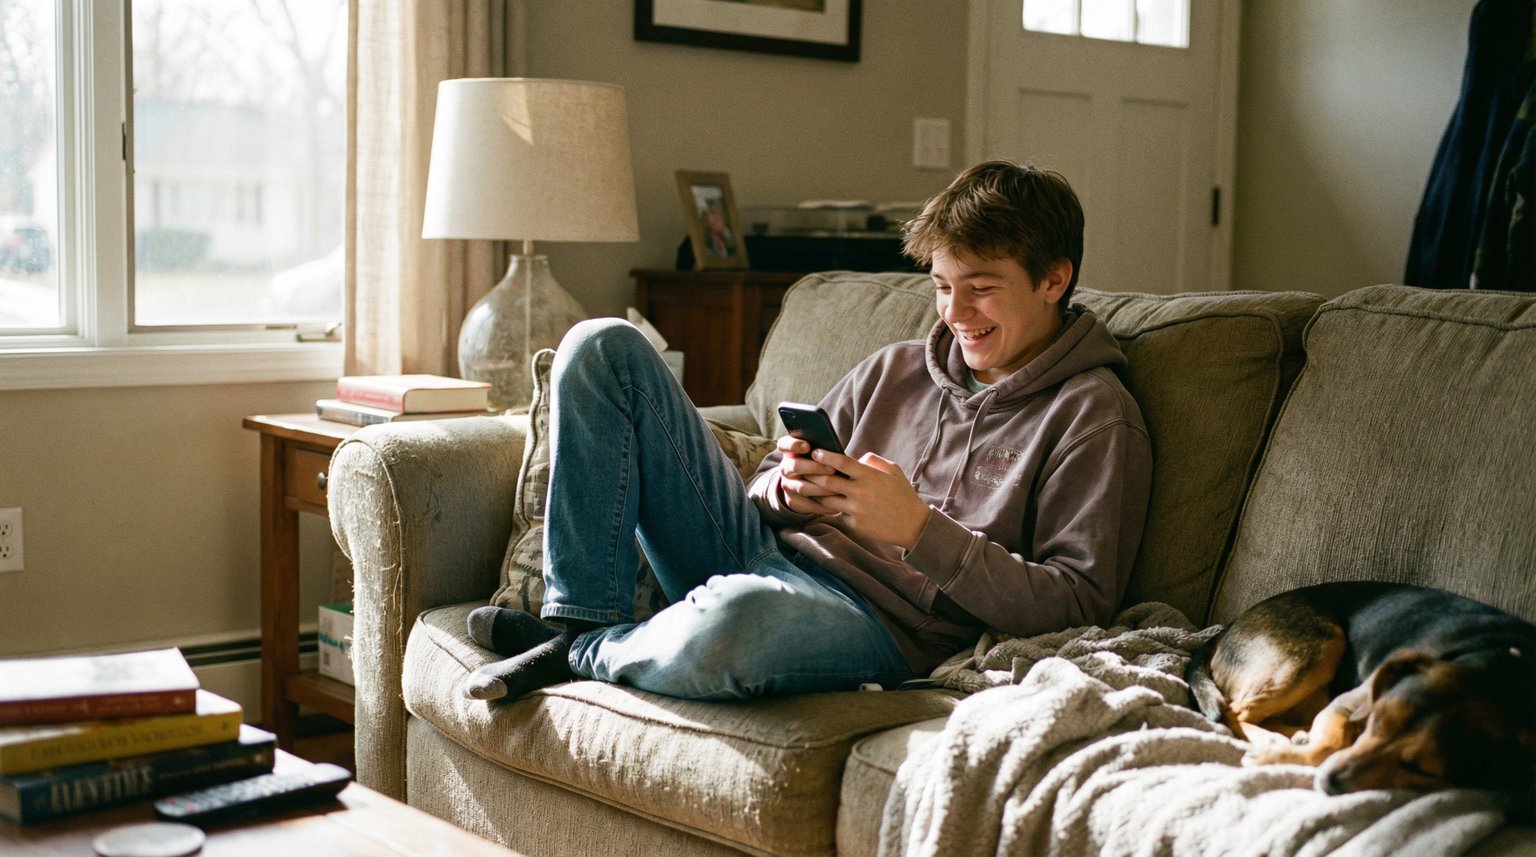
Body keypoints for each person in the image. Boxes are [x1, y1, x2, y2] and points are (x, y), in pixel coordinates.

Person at [461, 160, 1154, 703]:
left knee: (736, 622)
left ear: (1053, 280)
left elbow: (1080, 602)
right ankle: (577, 619)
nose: (955, 313)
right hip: (754, 546)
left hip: (872, 624)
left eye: (980, 287)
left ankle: (577, 651)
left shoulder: (1094, 415)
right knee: (600, 344)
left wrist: (918, 531)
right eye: (942, 286)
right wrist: (785, 489)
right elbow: (764, 483)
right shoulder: (896, 369)